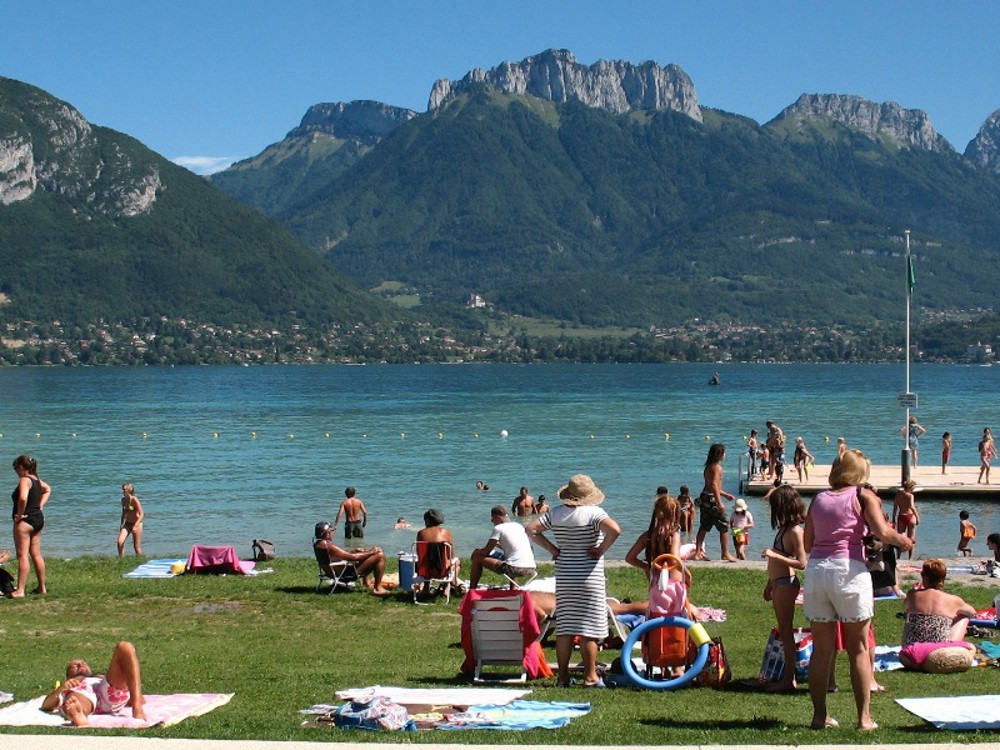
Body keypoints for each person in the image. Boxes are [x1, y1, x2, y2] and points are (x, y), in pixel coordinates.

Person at [803, 448, 913, 731]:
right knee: (859, 649)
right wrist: (903, 540)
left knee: (822, 651)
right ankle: (864, 718)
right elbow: (882, 531)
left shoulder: (818, 499)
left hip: (817, 572)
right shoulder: (862, 495)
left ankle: (819, 717)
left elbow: (807, 544)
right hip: (848, 571)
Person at [526, 474, 621, 688]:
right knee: (590, 627)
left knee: (565, 626)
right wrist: (600, 549)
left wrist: (552, 548)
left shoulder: (556, 513)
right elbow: (615, 530)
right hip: (589, 573)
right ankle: (590, 677)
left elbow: (531, 529)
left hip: (566, 573)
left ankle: (562, 678)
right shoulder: (595, 513)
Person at [761, 484, 807, 692]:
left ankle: (789, 679)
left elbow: (802, 563)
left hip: (787, 584)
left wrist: (774, 555)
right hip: (778, 583)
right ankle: (788, 677)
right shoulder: (784, 528)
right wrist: (769, 583)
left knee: (786, 632)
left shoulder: (796, 531)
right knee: (784, 631)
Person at [41, 641, 145, 727]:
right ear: (68, 676)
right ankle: (79, 714)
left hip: (108, 691)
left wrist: (136, 696)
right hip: (84, 694)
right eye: (75, 665)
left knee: (125, 646)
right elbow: (46, 706)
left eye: (83, 663)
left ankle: (137, 708)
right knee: (73, 699)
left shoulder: (100, 677)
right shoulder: (71, 684)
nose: (80, 665)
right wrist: (62, 688)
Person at [899, 560, 977, 671]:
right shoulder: (953, 600)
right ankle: (950, 643)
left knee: (909, 616)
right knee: (963, 617)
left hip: (910, 646)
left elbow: (906, 608)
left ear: (924, 576)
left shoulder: (912, 594)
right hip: (940, 647)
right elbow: (972, 612)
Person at [11, 454, 50, 598]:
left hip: (25, 521)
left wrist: (20, 515)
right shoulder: (37, 480)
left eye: (16, 468)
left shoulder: (25, 480)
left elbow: (22, 498)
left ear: (21, 467)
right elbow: (48, 489)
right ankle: (42, 587)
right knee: (36, 554)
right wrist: (40, 505)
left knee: (22, 556)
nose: (16, 472)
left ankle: (20, 590)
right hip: (38, 519)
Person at [469, 505, 536, 589]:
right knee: (511, 558)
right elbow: (514, 548)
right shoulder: (519, 526)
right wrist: (500, 545)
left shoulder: (498, 528)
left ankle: (471, 590)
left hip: (514, 569)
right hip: (531, 568)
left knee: (477, 557)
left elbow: (485, 552)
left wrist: (477, 551)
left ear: (497, 516)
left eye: (492, 518)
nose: (492, 521)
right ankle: (513, 590)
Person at [313, 521, 388, 595]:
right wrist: (372, 551)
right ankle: (378, 588)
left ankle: (367, 583)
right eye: (332, 531)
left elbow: (340, 555)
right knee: (379, 556)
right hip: (346, 575)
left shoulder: (318, 544)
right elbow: (353, 557)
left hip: (333, 573)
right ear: (327, 533)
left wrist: (355, 551)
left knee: (363, 552)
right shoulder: (329, 546)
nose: (333, 533)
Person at [694, 444, 737, 562]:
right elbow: (713, 485)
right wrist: (719, 502)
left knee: (704, 525)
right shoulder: (717, 468)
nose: (725, 455)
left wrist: (725, 494)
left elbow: (712, 486)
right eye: (724, 453)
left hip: (705, 497)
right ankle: (725, 553)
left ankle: (697, 553)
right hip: (712, 499)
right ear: (719, 455)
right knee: (724, 525)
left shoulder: (708, 467)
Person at [624, 492, 682, 577]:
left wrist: (646, 567)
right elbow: (674, 560)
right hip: (674, 584)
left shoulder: (648, 535)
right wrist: (687, 574)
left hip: (655, 581)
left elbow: (629, 558)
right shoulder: (674, 536)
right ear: (674, 515)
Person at [416, 508, 461, 585]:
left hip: (425, 570)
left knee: (424, 560)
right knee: (457, 562)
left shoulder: (421, 533)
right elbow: (451, 555)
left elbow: (419, 553)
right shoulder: (446, 533)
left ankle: (426, 588)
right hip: (443, 570)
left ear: (427, 520)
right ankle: (447, 586)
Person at [891, 480, 919, 559]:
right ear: (910, 487)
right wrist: (917, 516)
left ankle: (898, 556)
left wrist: (893, 518)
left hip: (901, 516)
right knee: (912, 537)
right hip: (910, 515)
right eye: (913, 487)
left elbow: (895, 507)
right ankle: (910, 558)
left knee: (900, 537)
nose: (913, 489)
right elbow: (912, 507)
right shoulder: (910, 496)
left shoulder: (898, 495)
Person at [116, 483, 144, 557]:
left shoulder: (134, 499)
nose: (122, 491)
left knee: (136, 547)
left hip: (136, 524)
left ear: (129, 490)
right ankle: (121, 560)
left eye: (124, 490)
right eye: (122, 489)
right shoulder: (123, 500)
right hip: (127, 524)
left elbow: (142, 514)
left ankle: (141, 562)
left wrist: (136, 525)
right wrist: (121, 525)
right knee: (120, 542)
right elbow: (124, 514)